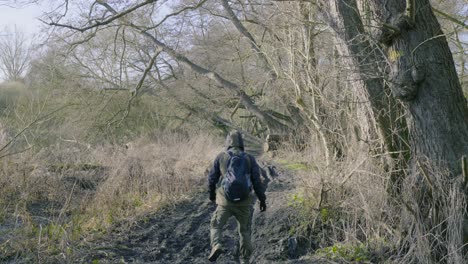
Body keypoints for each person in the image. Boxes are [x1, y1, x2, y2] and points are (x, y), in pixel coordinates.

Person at [207, 130, 267, 264]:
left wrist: (212, 195)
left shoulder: (221, 157)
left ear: (227, 142)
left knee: (216, 225)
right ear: (241, 143)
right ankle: (245, 260)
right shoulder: (249, 158)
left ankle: (216, 245)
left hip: (224, 202)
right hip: (244, 202)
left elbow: (211, 179)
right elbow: (257, 181)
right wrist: (262, 200)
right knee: (244, 231)